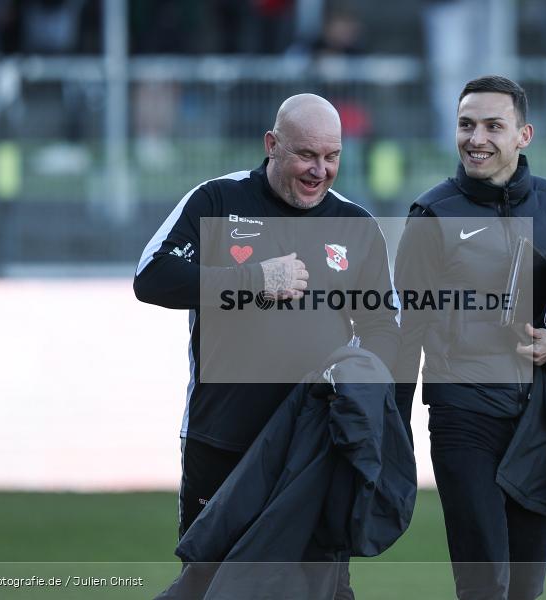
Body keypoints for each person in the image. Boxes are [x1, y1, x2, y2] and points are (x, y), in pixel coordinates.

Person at [134, 94, 400, 598]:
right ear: (272, 145)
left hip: (315, 446)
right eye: (306, 155)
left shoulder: (357, 226)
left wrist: (359, 371)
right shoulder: (216, 201)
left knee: (319, 587)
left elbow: (385, 324)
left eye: (332, 157)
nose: (320, 170)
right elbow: (151, 277)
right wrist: (249, 279)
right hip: (224, 439)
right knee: (208, 585)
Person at [394, 75, 546, 599]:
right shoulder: (432, 213)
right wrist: (390, 430)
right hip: (462, 418)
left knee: (525, 588)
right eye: (467, 125)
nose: (477, 138)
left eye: (494, 126)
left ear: (524, 135)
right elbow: (403, 333)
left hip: (539, 424)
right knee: (484, 585)